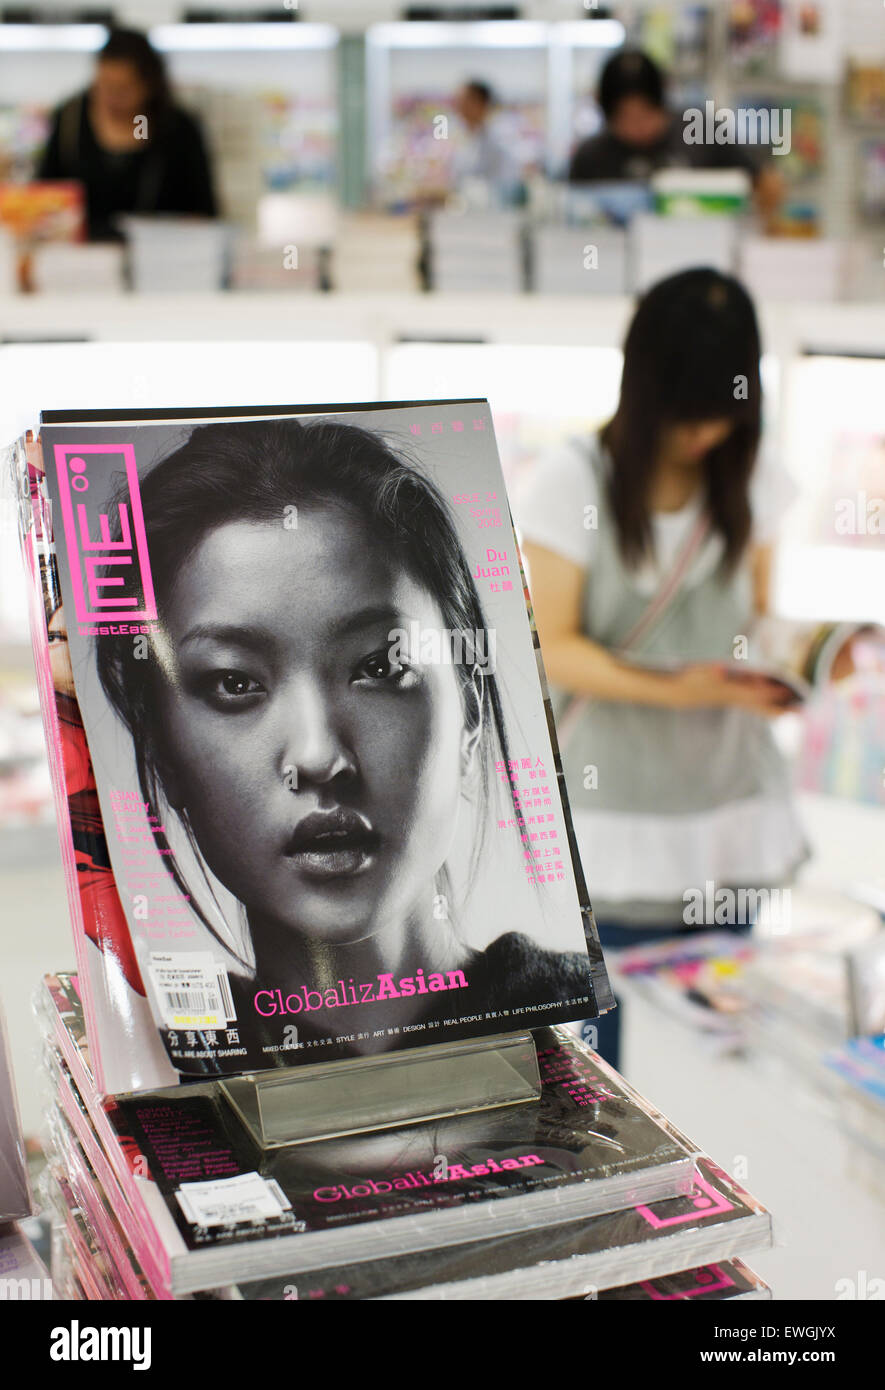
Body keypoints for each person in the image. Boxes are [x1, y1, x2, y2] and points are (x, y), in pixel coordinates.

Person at [93, 418, 593, 1064]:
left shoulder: (571, 1024)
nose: (318, 757)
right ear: (161, 751)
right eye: (234, 682)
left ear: (468, 707)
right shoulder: (155, 1059)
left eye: (379, 668)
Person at [517, 269, 808, 1068]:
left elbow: (751, 620)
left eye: (722, 412)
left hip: (724, 822)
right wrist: (683, 687)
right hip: (611, 826)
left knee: (717, 1070)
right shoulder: (574, 480)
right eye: (689, 412)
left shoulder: (750, 473)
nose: (703, 434)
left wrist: (801, 660)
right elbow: (557, 647)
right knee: (598, 1080)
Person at [38, 27, 217, 241]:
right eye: (104, 86)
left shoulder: (174, 128)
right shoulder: (71, 120)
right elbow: (44, 193)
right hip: (80, 259)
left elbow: (203, 209)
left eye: (123, 89)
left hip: (160, 255)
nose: (111, 98)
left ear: (149, 85)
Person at [568, 49, 781, 221]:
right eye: (625, 120)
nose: (638, 128)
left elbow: (766, 182)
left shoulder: (701, 130)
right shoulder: (590, 156)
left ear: (663, 104)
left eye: (646, 116)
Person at [451, 80, 522, 205]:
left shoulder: (499, 140)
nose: (458, 107)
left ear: (480, 103)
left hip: (491, 214)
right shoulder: (471, 138)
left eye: (463, 101)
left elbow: (501, 189)